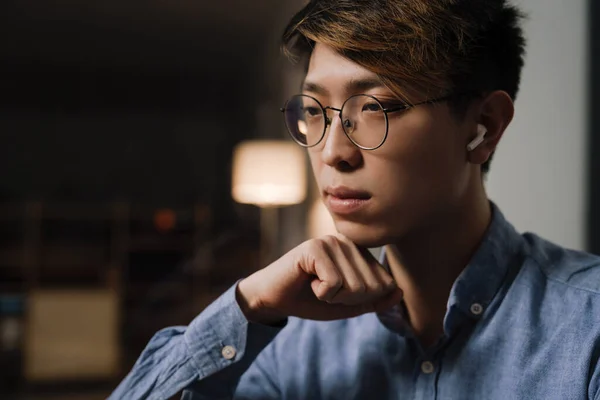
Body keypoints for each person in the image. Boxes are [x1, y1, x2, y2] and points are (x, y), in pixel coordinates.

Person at [110, 1, 600, 399]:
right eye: (313, 111)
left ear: (484, 126)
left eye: (376, 108)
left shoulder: (586, 329)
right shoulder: (296, 336)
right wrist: (248, 305)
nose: (331, 152)